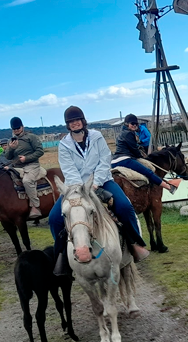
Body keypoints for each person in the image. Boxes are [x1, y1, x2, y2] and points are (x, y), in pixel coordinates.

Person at [49, 106, 150, 275]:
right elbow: (69, 170)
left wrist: (95, 183)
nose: (74, 124)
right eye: (71, 122)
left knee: (124, 206)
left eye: (77, 120)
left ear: (83, 121)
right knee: (54, 219)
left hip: (102, 182)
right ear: (68, 125)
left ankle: (134, 243)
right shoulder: (64, 144)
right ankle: (62, 257)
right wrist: (82, 189)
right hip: (75, 187)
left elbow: (105, 160)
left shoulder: (97, 137)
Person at [112, 114, 181, 193]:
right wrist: (141, 156)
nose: (134, 125)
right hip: (125, 159)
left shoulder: (121, 134)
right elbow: (134, 149)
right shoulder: (129, 133)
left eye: (136, 124)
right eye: (132, 124)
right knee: (148, 172)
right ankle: (169, 187)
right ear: (127, 124)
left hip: (114, 161)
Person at [6, 117, 45, 218]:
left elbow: (40, 151)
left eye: (18, 128)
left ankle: (36, 207)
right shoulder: (10, 141)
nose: (16, 130)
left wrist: (26, 158)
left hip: (32, 165)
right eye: (14, 129)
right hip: (17, 166)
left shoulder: (31, 137)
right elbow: (7, 157)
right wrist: (11, 149)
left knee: (27, 181)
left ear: (22, 127)